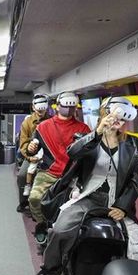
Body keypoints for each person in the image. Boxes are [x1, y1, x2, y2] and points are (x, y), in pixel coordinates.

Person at [35, 97, 138, 275]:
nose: (118, 121)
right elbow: (73, 153)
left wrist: (123, 206)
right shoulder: (86, 138)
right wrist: (98, 132)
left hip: (116, 203)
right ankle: (50, 272)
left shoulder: (133, 145)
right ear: (104, 114)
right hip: (88, 197)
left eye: (123, 119)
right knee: (61, 229)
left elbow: (134, 182)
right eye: (115, 115)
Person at [27, 92, 90, 244]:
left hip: (72, 175)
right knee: (34, 198)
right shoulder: (43, 127)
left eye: (72, 107)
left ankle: (63, 231)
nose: (68, 110)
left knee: (70, 206)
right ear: (57, 106)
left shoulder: (83, 129)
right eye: (65, 106)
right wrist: (30, 149)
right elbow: (33, 149)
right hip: (48, 172)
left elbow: (89, 154)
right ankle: (42, 223)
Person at [17, 94, 51, 213]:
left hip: (49, 156)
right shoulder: (27, 123)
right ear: (33, 107)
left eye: (43, 108)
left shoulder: (52, 121)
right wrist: (29, 156)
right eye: (38, 108)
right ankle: (23, 202)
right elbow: (23, 143)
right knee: (22, 175)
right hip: (32, 156)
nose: (40, 111)